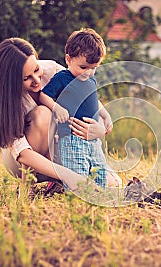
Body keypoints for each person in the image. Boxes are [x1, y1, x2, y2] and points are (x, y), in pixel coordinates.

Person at [0, 37, 119, 194]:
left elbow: (85, 93)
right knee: (43, 113)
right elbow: (23, 153)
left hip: (61, 149)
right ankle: (28, 187)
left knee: (112, 183)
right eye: (26, 78)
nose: (36, 81)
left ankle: (57, 183)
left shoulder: (52, 71)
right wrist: (68, 175)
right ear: (11, 81)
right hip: (23, 161)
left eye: (36, 70)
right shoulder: (7, 99)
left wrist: (100, 128)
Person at [39, 28, 113, 188]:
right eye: (83, 67)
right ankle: (64, 189)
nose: (88, 73)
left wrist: (105, 115)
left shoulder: (91, 80)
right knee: (78, 177)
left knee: (99, 177)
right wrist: (56, 107)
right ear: (68, 59)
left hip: (93, 140)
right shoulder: (62, 78)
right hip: (71, 138)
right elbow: (43, 96)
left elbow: (94, 100)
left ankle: (97, 199)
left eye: (94, 68)